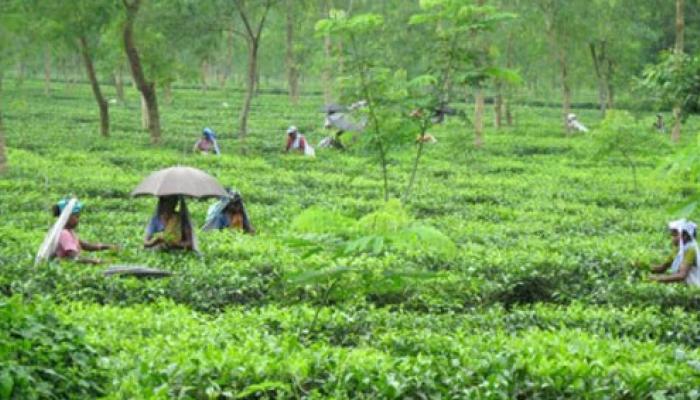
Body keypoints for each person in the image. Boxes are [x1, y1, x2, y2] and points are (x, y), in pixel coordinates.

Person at [51, 199, 117, 264]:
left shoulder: (69, 231)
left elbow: (85, 246)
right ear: (66, 217)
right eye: (76, 216)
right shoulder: (64, 234)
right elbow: (75, 258)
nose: (78, 220)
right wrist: (98, 261)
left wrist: (108, 247)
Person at [649, 219, 700, 286]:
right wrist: (643, 267)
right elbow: (662, 268)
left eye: (674, 235)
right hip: (682, 286)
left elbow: (681, 276)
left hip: (693, 287)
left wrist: (657, 278)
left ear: (684, 236)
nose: (672, 238)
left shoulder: (690, 251)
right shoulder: (678, 250)